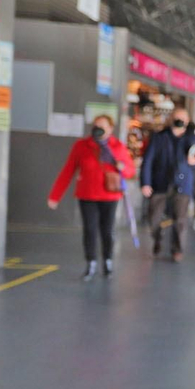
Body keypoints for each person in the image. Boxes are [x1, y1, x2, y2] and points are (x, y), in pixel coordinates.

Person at [47, 113, 133, 280]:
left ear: (110, 129)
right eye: (96, 125)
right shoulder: (81, 146)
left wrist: (121, 166)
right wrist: (55, 196)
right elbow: (68, 171)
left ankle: (107, 260)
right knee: (90, 230)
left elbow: (130, 171)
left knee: (107, 231)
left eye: (102, 126)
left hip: (109, 195)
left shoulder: (118, 147)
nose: (98, 129)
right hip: (87, 195)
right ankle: (91, 263)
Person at [139, 110, 195, 263]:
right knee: (154, 217)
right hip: (160, 183)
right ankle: (158, 237)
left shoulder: (193, 140)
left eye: (182, 119)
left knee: (180, 220)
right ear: (170, 119)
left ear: (188, 121)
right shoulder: (159, 137)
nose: (179, 121)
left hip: (183, 185)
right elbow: (148, 161)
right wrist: (145, 182)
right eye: (176, 118)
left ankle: (177, 249)